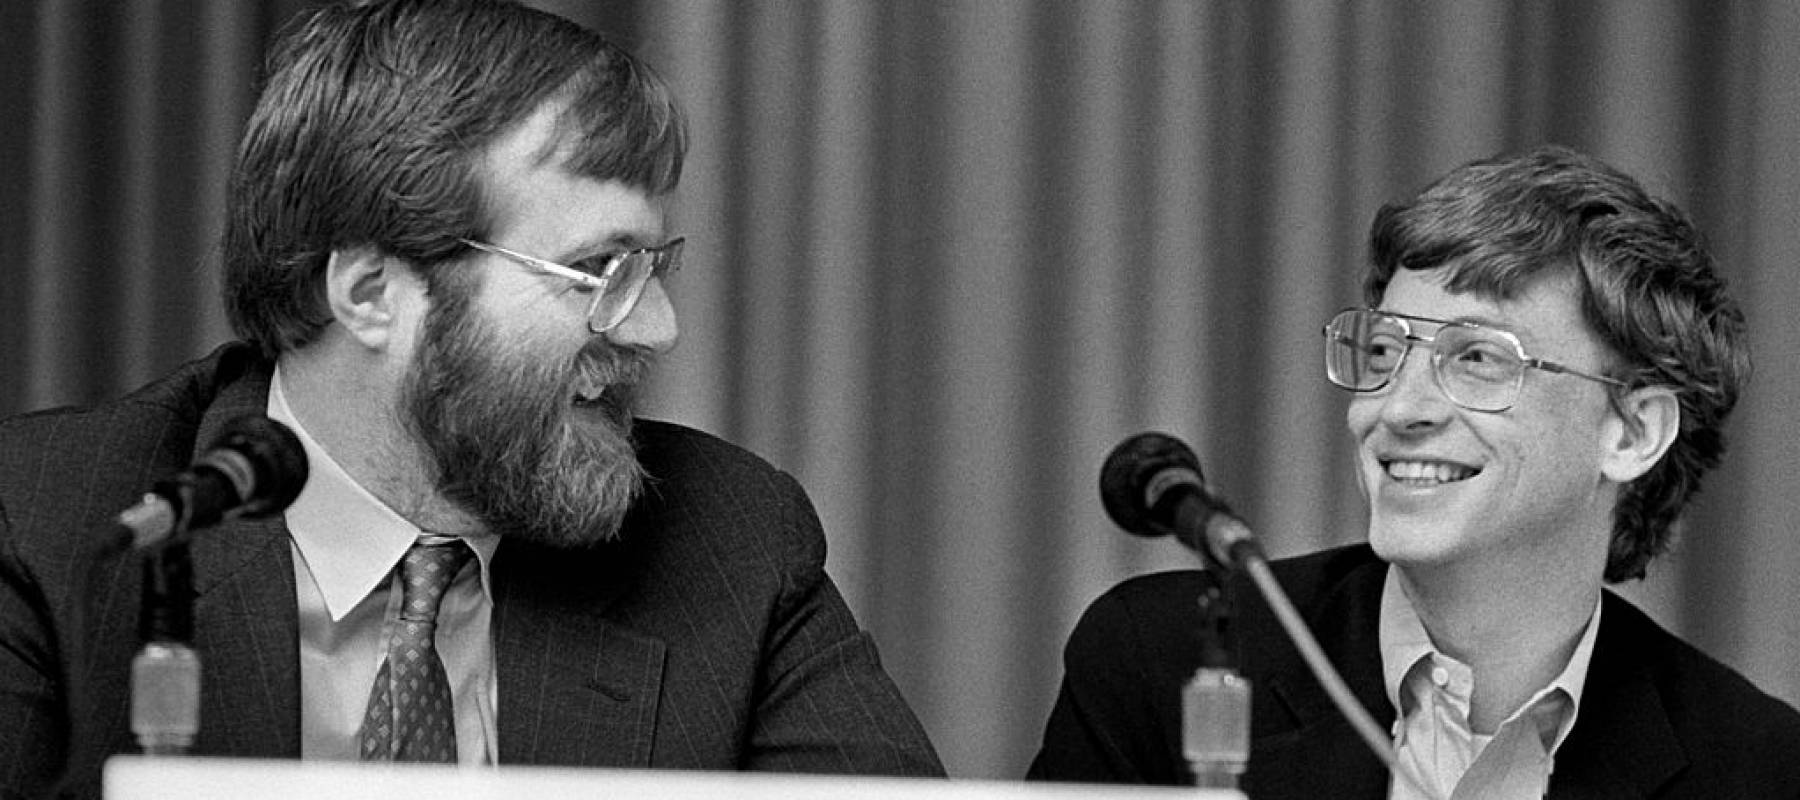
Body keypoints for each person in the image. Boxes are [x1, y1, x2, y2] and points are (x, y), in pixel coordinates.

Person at [0, 1, 942, 797]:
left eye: (654, 267)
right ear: (371, 293)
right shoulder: (50, 524)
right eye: (598, 270)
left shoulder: (727, 540)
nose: (657, 328)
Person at [1027, 145, 1800, 798]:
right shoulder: (1159, 664)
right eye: (1388, 350)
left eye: (1477, 358)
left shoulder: (1755, 768)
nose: (1397, 409)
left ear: (1632, 431)